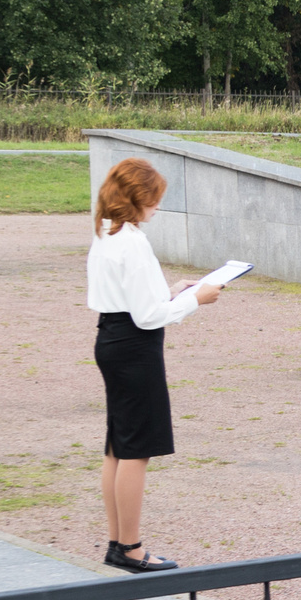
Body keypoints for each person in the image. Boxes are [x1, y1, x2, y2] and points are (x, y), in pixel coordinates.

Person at [86, 156, 226, 574]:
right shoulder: (133, 241)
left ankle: (117, 541)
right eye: (154, 199)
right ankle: (130, 547)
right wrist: (194, 299)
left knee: (119, 445)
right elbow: (147, 317)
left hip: (111, 338)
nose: (158, 206)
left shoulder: (107, 234)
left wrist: (171, 292)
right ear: (137, 198)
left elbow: (134, 300)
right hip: (134, 348)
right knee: (136, 450)